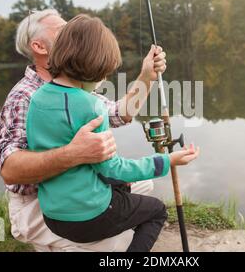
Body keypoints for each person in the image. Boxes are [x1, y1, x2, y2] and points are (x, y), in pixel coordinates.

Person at [0, 9, 168, 251]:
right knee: (120, 243)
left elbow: (121, 112)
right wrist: (73, 153)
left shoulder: (75, 87)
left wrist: (147, 75)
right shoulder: (24, 96)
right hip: (38, 202)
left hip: (77, 187)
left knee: (143, 183)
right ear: (39, 47)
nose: (73, 34)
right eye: (64, 31)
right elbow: (10, 170)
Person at [26, 14, 200, 252]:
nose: (105, 79)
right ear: (91, 65)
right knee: (157, 211)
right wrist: (166, 160)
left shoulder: (36, 98)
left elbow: (121, 114)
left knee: (122, 186)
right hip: (88, 217)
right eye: (104, 72)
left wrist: (147, 75)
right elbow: (113, 169)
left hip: (52, 215)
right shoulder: (91, 106)